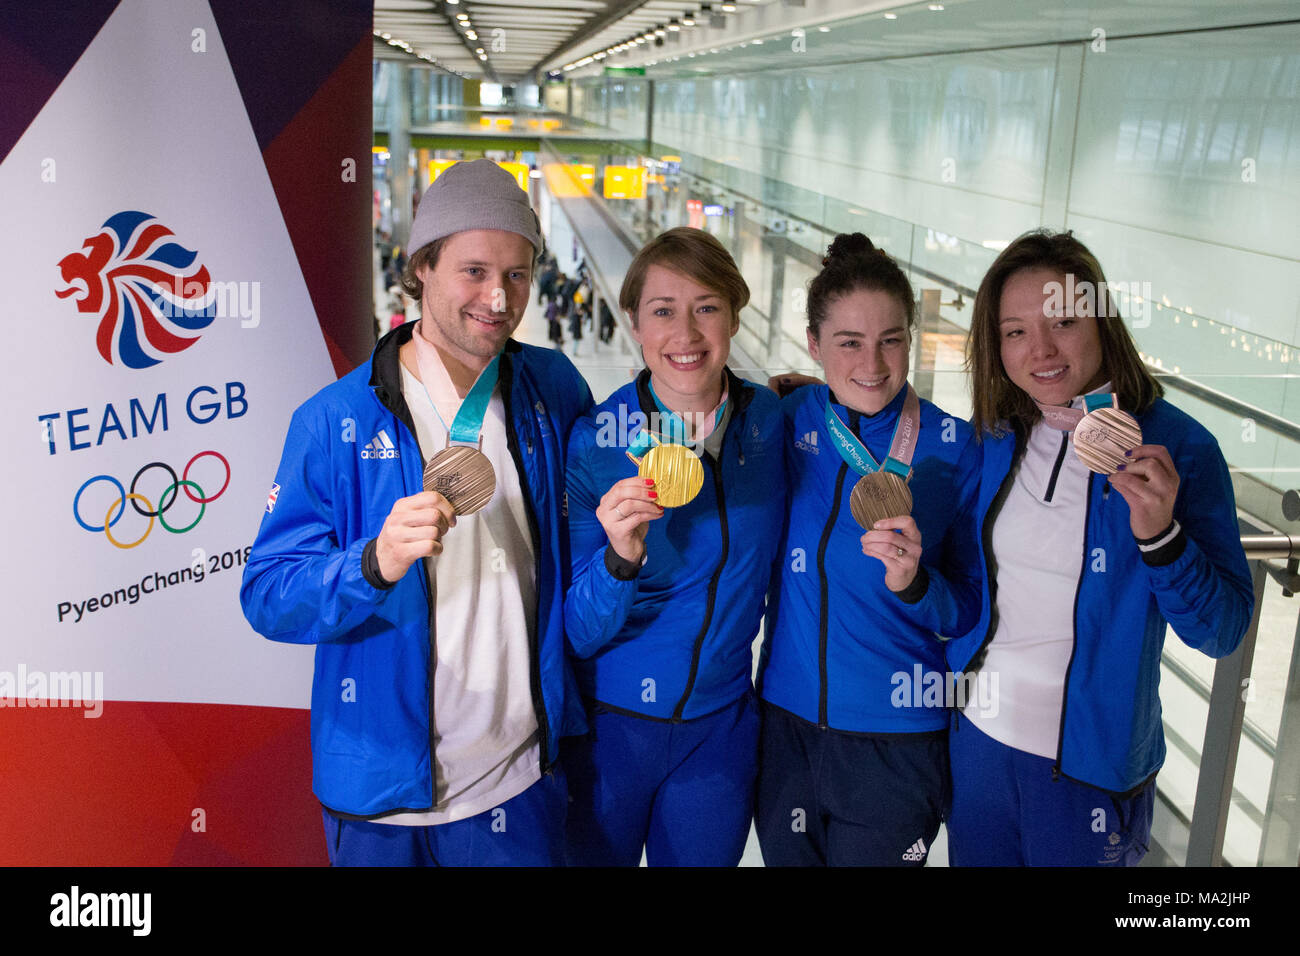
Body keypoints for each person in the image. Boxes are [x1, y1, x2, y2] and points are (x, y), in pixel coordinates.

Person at [240, 159, 594, 866]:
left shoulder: (551, 388)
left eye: (518, 273)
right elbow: (268, 597)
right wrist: (372, 562)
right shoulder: (334, 420)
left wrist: (764, 400)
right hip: (381, 799)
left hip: (516, 783)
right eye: (473, 270)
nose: (499, 297)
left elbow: (621, 460)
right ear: (422, 267)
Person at [945, 229, 1253, 866]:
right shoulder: (1000, 433)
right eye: (1015, 331)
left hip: (1092, 771)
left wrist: (1162, 538)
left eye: (1062, 321)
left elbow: (1222, 632)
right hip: (978, 745)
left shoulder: (1179, 448)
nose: (1041, 351)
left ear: (1103, 320)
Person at [754, 233, 982, 866]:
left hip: (897, 740)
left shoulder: (956, 449)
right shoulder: (787, 416)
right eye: (849, 343)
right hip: (787, 730)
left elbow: (970, 613)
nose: (873, 365)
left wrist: (916, 585)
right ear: (814, 345)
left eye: (891, 340)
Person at [562, 226, 786, 866]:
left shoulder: (771, 422)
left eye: (707, 308)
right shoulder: (595, 443)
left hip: (717, 736)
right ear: (633, 321)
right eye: (663, 311)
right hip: (610, 732)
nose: (686, 335)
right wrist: (618, 559)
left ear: (736, 315)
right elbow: (576, 632)